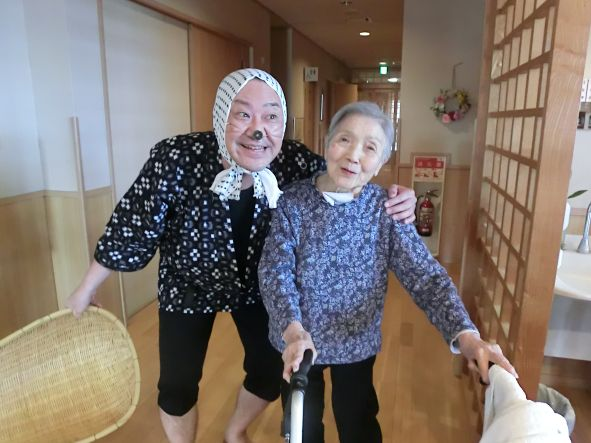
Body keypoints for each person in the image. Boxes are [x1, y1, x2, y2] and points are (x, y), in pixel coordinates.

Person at [66, 69, 417, 443]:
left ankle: (235, 430)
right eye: (243, 114)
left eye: (271, 116)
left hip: (256, 285)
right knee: (177, 385)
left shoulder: (293, 161)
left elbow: (347, 173)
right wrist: (86, 288)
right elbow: (132, 225)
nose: (258, 130)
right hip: (187, 283)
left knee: (269, 371)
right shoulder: (177, 157)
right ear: (221, 116)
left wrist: (396, 198)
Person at [258, 101, 518, 443]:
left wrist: (467, 336)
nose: (353, 156)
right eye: (344, 140)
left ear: (382, 162)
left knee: (358, 422)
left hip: (356, 341)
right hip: (297, 341)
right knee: (301, 426)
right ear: (327, 143)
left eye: (370, 148)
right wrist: (293, 331)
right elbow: (275, 271)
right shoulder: (293, 202)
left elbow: (426, 277)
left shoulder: (385, 210)